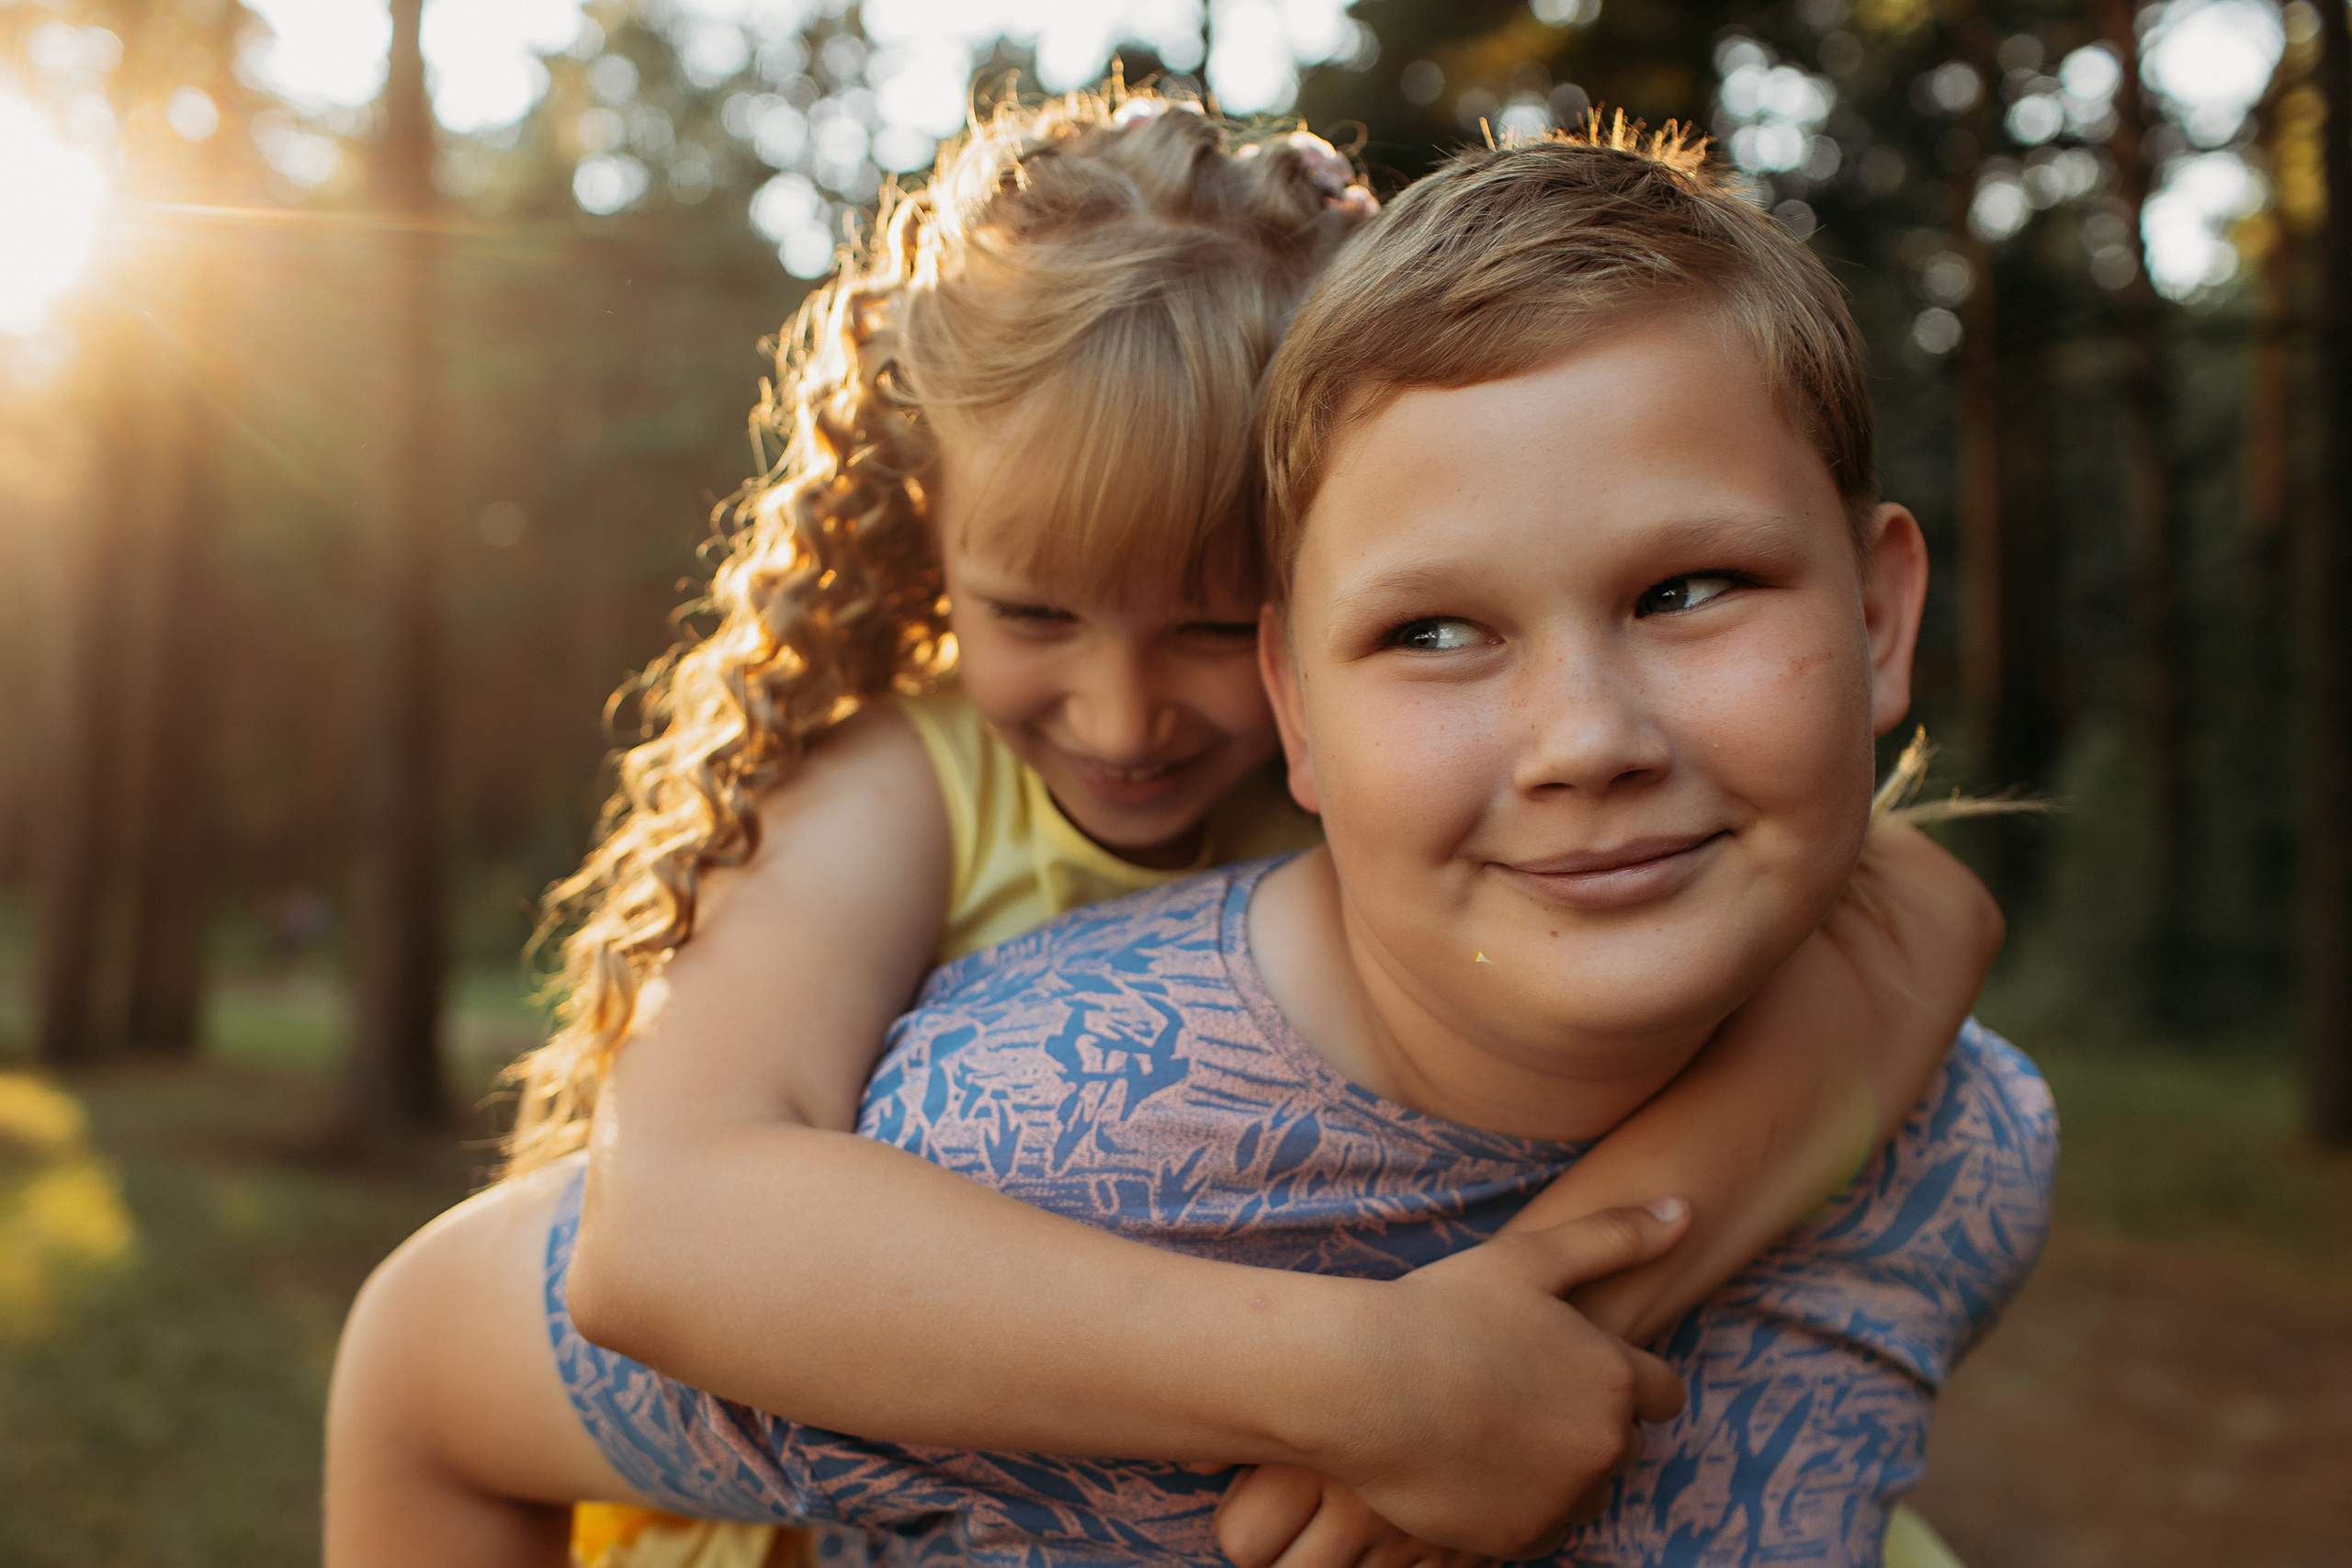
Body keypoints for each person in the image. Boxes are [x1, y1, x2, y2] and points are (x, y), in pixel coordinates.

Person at [323, 107, 2010, 1568]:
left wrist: (1568, 1308)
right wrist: (1365, 1380)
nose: (1124, 722)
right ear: (932, 539)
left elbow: (1921, 906)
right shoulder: (901, 789)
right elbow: (663, 1229)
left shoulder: (1421, 754)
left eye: (1207, 625)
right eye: (1035, 611)